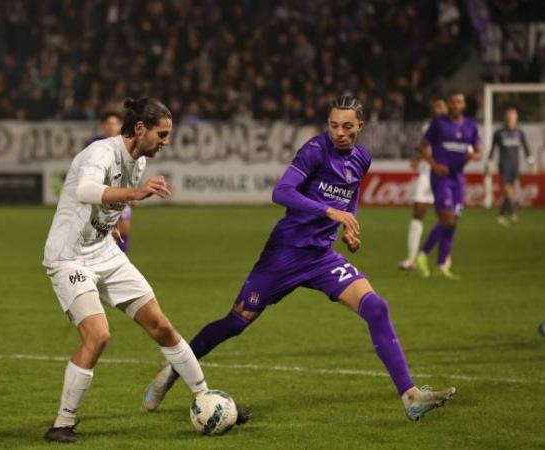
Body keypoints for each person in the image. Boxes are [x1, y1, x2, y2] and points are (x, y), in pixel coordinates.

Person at [143, 95, 456, 422]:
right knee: (235, 323)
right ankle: (173, 371)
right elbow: (281, 192)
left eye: (347, 127)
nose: (339, 132)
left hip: (321, 257)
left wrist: (349, 225)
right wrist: (329, 210)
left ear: (360, 126)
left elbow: (351, 196)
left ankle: (410, 397)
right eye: (334, 125)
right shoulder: (315, 150)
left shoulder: (362, 158)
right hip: (285, 254)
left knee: (377, 307)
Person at [42, 98, 211, 443]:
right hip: (69, 257)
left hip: (104, 251)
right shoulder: (99, 154)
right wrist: (135, 193)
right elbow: (86, 190)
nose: (166, 141)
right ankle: (62, 423)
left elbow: (107, 202)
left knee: (162, 326)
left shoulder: (140, 158)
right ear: (139, 129)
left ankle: (206, 399)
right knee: (98, 335)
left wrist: (111, 222)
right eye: (162, 134)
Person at [416, 91, 482, 280]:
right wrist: (434, 165)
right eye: (452, 102)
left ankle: (442, 265)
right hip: (441, 178)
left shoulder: (470, 126)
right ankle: (423, 255)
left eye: (458, 102)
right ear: (448, 104)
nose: (455, 105)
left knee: (452, 223)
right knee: (448, 218)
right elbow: (423, 146)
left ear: (463, 105)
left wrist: (473, 156)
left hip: (458, 179)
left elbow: (478, 151)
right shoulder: (438, 124)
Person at [399, 97, 448, 270]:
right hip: (427, 173)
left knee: (446, 217)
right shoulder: (428, 126)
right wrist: (418, 158)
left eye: (441, 105)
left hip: (445, 176)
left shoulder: (452, 127)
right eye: (435, 106)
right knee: (418, 211)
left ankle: (444, 258)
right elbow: (426, 147)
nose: (438, 108)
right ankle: (411, 259)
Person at [87, 111, 133, 252]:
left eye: (114, 123)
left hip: (120, 191)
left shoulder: (126, 143)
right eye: (108, 123)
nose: (111, 126)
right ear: (103, 126)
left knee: (124, 226)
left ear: (120, 126)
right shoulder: (94, 143)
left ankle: (121, 258)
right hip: (100, 192)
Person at [488, 106, 534, 226]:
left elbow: (525, 146)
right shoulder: (499, 133)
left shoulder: (519, 132)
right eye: (509, 115)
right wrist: (488, 162)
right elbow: (493, 149)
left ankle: (501, 215)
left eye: (513, 116)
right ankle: (512, 213)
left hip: (515, 164)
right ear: (506, 117)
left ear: (516, 118)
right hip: (504, 164)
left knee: (509, 191)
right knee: (507, 190)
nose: (511, 118)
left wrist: (530, 159)